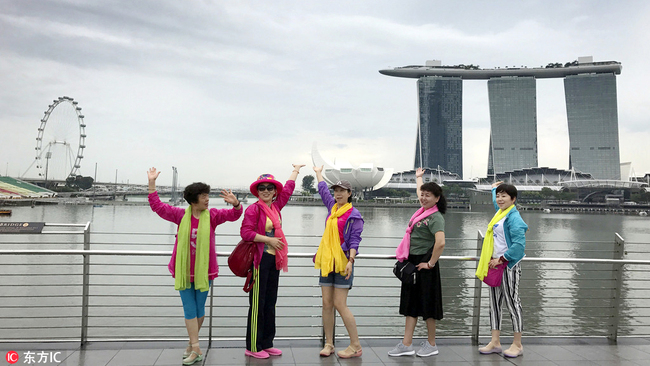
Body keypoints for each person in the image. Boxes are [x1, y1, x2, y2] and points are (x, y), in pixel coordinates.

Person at [147, 167, 243, 365]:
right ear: (193, 200)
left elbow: (234, 216)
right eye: (203, 196)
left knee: (199, 309)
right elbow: (157, 206)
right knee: (189, 308)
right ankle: (196, 347)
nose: (207, 199)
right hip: (183, 271)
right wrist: (152, 183)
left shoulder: (213, 216)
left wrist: (236, 205)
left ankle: (192, 345)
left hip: (204, 271)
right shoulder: (180, 215)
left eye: (207, 195)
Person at [240, 164, 304, 359]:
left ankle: (267, 343)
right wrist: (269, 240)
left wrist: (296, 170)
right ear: (257, 192)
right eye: (262, 188)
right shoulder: (254, 209)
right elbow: (246, 233)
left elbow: (288, 189)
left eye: (270, 188)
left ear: (275, 191)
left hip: (274, 260)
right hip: (259, 261)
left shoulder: (275, 207)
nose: (266, 191)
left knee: (270, 303)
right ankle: (252, 346)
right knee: (258, 304)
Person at [388, 167, 447, 358]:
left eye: (428, 196)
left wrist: (430, 263)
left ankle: (431, 344)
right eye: (422, 195)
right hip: (412, 262)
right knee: (410, 304)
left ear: (437, 198)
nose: (423, 198)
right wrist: (418, 179)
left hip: (425, 263)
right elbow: (419, 191)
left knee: (428, 306)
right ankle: (407, 344)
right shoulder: (422, 211)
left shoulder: (435, 217)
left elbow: (441, 243)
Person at [312, 166, 364, 358]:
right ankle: (329, 343)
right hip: (327, 261)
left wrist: (350, 260)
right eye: (336, 191)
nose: (338, 194)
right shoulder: (332, 208)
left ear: (350, 194)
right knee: (326, 303)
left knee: (340, 304)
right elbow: (322, 190)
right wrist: (318, 172)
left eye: (342, 191)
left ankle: (355, 345)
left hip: (343, 262)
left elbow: (355, 241)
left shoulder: (354, 215)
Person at [476, 181, 528, 358]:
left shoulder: (514, 218)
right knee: (494, 305)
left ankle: (517, 344)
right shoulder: (500, 213)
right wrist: (493, 188)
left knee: (513, 304)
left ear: (513, 199)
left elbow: (519, 246)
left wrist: (502, 259)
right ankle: (495, 341)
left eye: (504, 196)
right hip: (495, 266)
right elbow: (495, 201)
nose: (499, 199)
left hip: (508, 266)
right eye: (498, 195)